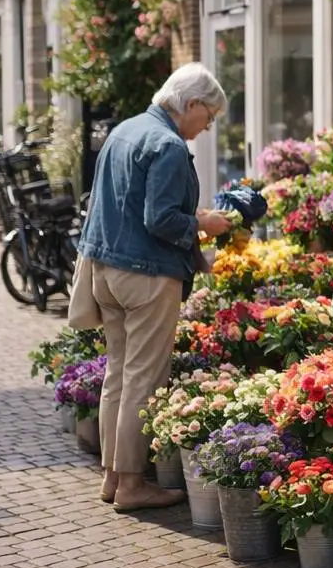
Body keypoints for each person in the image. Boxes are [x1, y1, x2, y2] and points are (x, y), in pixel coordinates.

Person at [76, 63, 233, 510]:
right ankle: (131, 485)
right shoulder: (166, 144)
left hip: (106, 270)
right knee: (143, 380)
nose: (207, 127)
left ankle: (111, 478)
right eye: (210, 116)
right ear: (193, 103)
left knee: (118, 377)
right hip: (147, 276)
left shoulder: (125, 130)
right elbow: (160, 219)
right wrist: (203, 224)